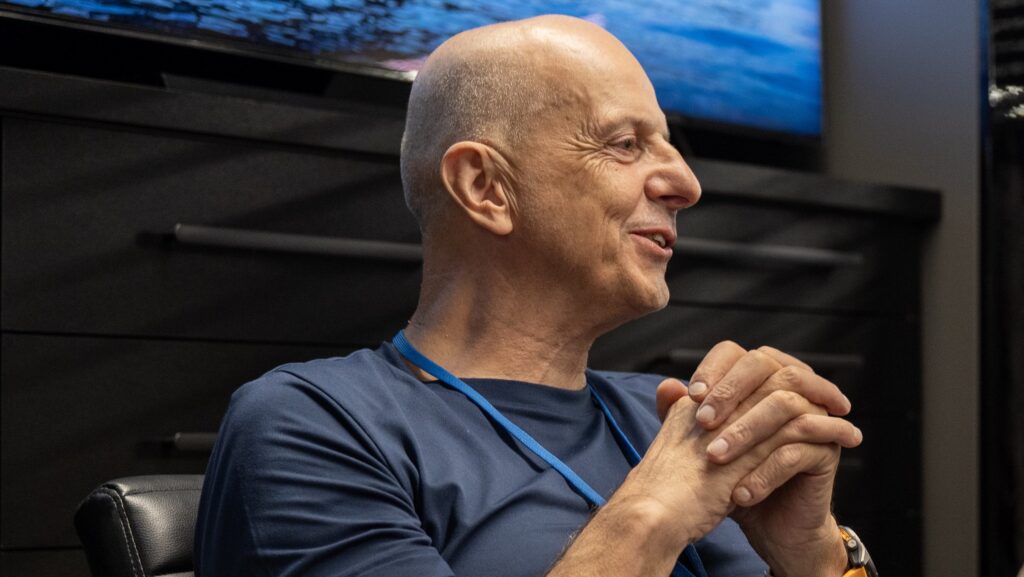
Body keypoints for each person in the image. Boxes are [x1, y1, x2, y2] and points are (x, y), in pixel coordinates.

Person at [195, 15, 868, 577]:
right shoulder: (311, 424)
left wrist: (812, 555)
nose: (685, 183)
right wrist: (651, 514)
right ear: (486, 186)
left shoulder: (671, 416)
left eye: (670, 147)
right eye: (626, 143)